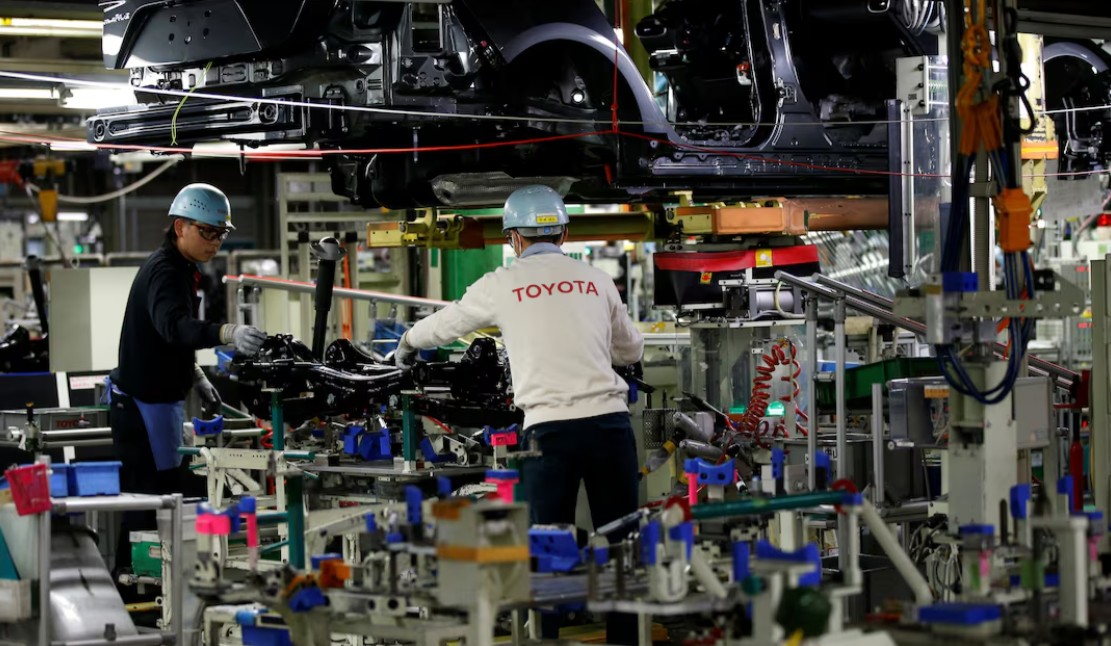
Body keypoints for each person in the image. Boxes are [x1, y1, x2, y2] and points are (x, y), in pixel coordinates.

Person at [395, 184, 644, 644]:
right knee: (621, 542)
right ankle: (627, 639)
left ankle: (545, 636)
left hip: (548, 433)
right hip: (609, 427)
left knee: (546, 546)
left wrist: (407, 342)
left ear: (513, 238)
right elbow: (631, 349)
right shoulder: (596, 279)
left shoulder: (502, 283)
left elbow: (447, 324)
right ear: (564, 233)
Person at [107, 183, 266, 572]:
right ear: (180, 227)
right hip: (141, 408)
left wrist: (194, 374)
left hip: (156, 402)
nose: (216, 242)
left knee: (162, 501)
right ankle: (133, 590)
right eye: (207, 232)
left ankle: (154, 586)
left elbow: (165, 336)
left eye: (221, 234)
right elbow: (174, 327)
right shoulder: (165, 271)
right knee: (148, 507)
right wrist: (226, 333)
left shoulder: (182, 268)